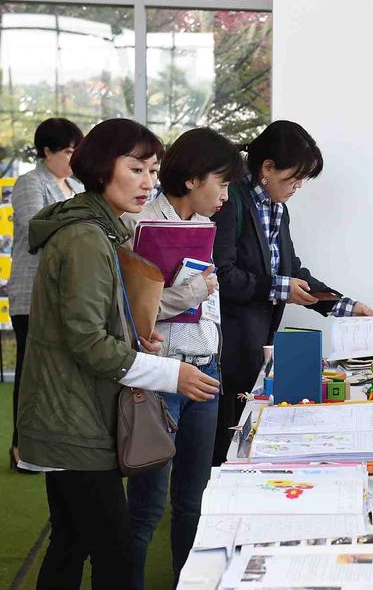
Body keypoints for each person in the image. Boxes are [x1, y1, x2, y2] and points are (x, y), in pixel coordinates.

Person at [16, 119, 220, 590]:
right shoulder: (87, 237)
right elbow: (86, 340)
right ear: (100, 168)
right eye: (136, 168)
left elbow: (90, 325)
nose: (148, 181)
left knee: (71, 543)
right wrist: (170, 373)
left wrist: (133, 337)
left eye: (153, 169)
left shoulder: (98, 230)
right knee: (115, 550)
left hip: (74, 413)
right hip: (74, 419)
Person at [211, 120, 373, 464]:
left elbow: (292, 272)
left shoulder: (277, 208)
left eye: (303, 179)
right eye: (293, 178)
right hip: (227, 349)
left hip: (256, 344)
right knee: (222, 451)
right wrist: (279, 288)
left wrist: (346, 305)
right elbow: (222, 276)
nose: (298, 186)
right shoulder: (231, 202)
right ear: (266, 168)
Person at [124, 128, 243, 588]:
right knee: (147, 507)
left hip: (206, 370)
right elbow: (141, 309)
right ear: (193, 178)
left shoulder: (206, 228)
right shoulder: (142, 224)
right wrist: (197, 288)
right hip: (162, 375)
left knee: (195, 501)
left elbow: (200, 306)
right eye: (222, 182)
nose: (225, 195)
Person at [7, 118, 84, 473]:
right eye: (68, 151)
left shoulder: (75, 184)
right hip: (31, 292)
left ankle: (53, 444)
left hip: (66, 291)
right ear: (47, 151)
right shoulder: (29, 182)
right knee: (30, 371)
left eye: (76, 151)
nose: (73, 157)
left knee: (59, 372)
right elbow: (35, 228)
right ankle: (21, 446)